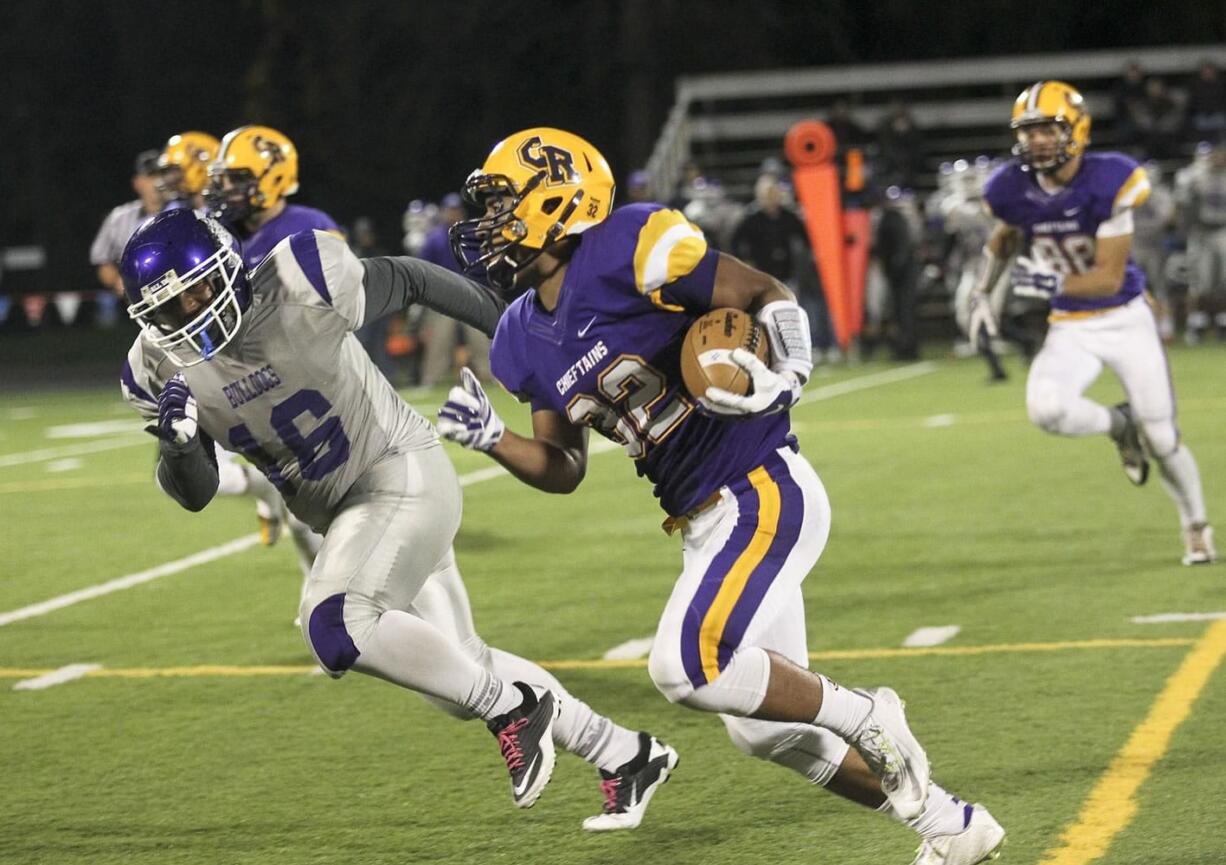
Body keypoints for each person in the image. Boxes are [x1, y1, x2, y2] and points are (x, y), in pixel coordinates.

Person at [441, 127, 1005, 865]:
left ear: (561, 195)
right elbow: (562, 464)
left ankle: (868, 712)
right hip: (701, 520)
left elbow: (763, 293)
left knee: (684, 663)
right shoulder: (518, 335)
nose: (492, 222)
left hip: (760, 483)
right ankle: (952, 824)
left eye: (505, 201)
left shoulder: (627, 244)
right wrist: (494, 439)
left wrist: (790, 370)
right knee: (764, 728)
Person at [116, 207, 678, 828]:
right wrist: (179, 445)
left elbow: (413, 277)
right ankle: (626, 754)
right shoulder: (158, 369)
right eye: (167, 311)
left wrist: (521, 334)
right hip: (352, 518)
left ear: (227, 267)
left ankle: (513, 710)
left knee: (331, 623)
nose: (188, 315)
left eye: (195, 291)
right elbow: (192, 492)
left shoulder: (302, 279)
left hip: (398, 473)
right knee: (457, 668)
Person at [968, 81, 1216, 566]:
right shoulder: (1010, 186)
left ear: (1076, 128)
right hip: (1070, 325)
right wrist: (983, 291)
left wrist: (1045, 283)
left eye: (1049, 128)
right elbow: (1006, 236)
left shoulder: (1111, 179)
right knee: (1047, 410)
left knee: (1163, 438)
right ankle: (1118, 424)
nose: (1038, 140)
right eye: (1029, 131)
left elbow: (1106, 277)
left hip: (1125, 319)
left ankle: (1196, 525)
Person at [204, 125, 343, 579]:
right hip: (243, 382)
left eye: (237, 177)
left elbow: (342, 303)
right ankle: (328, 612)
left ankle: (338, 610)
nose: (225, 188)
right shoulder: (219, 231)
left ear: (275, 176)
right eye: (223, 177)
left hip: (309, 384)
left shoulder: (311, 225)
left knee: (322, 515)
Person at [418, 193, 492, 387]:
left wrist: (488, 289)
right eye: (449, 210)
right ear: (443, 212)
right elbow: (424, 269)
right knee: (438, 341)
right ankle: (430, 379)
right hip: (444, 296)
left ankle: (491, 376)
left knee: (480, 339)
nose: (453, 214)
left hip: (472, 293)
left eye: (456, 210)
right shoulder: (434, 238)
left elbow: (483, 265)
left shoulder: (471, 234)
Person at [89, 149, 164, 298]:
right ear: (137, 183)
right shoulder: (119, 218)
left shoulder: (183, 208)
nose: (158, 181)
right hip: (139, 299)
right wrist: (120, 281)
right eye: (151, 176)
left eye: (162, 174)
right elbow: (103, 263)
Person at [154, 131, 220, 211]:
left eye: (175, 171)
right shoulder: (176, 208)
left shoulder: (225, 208)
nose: (169, 178)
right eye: (168, 172)